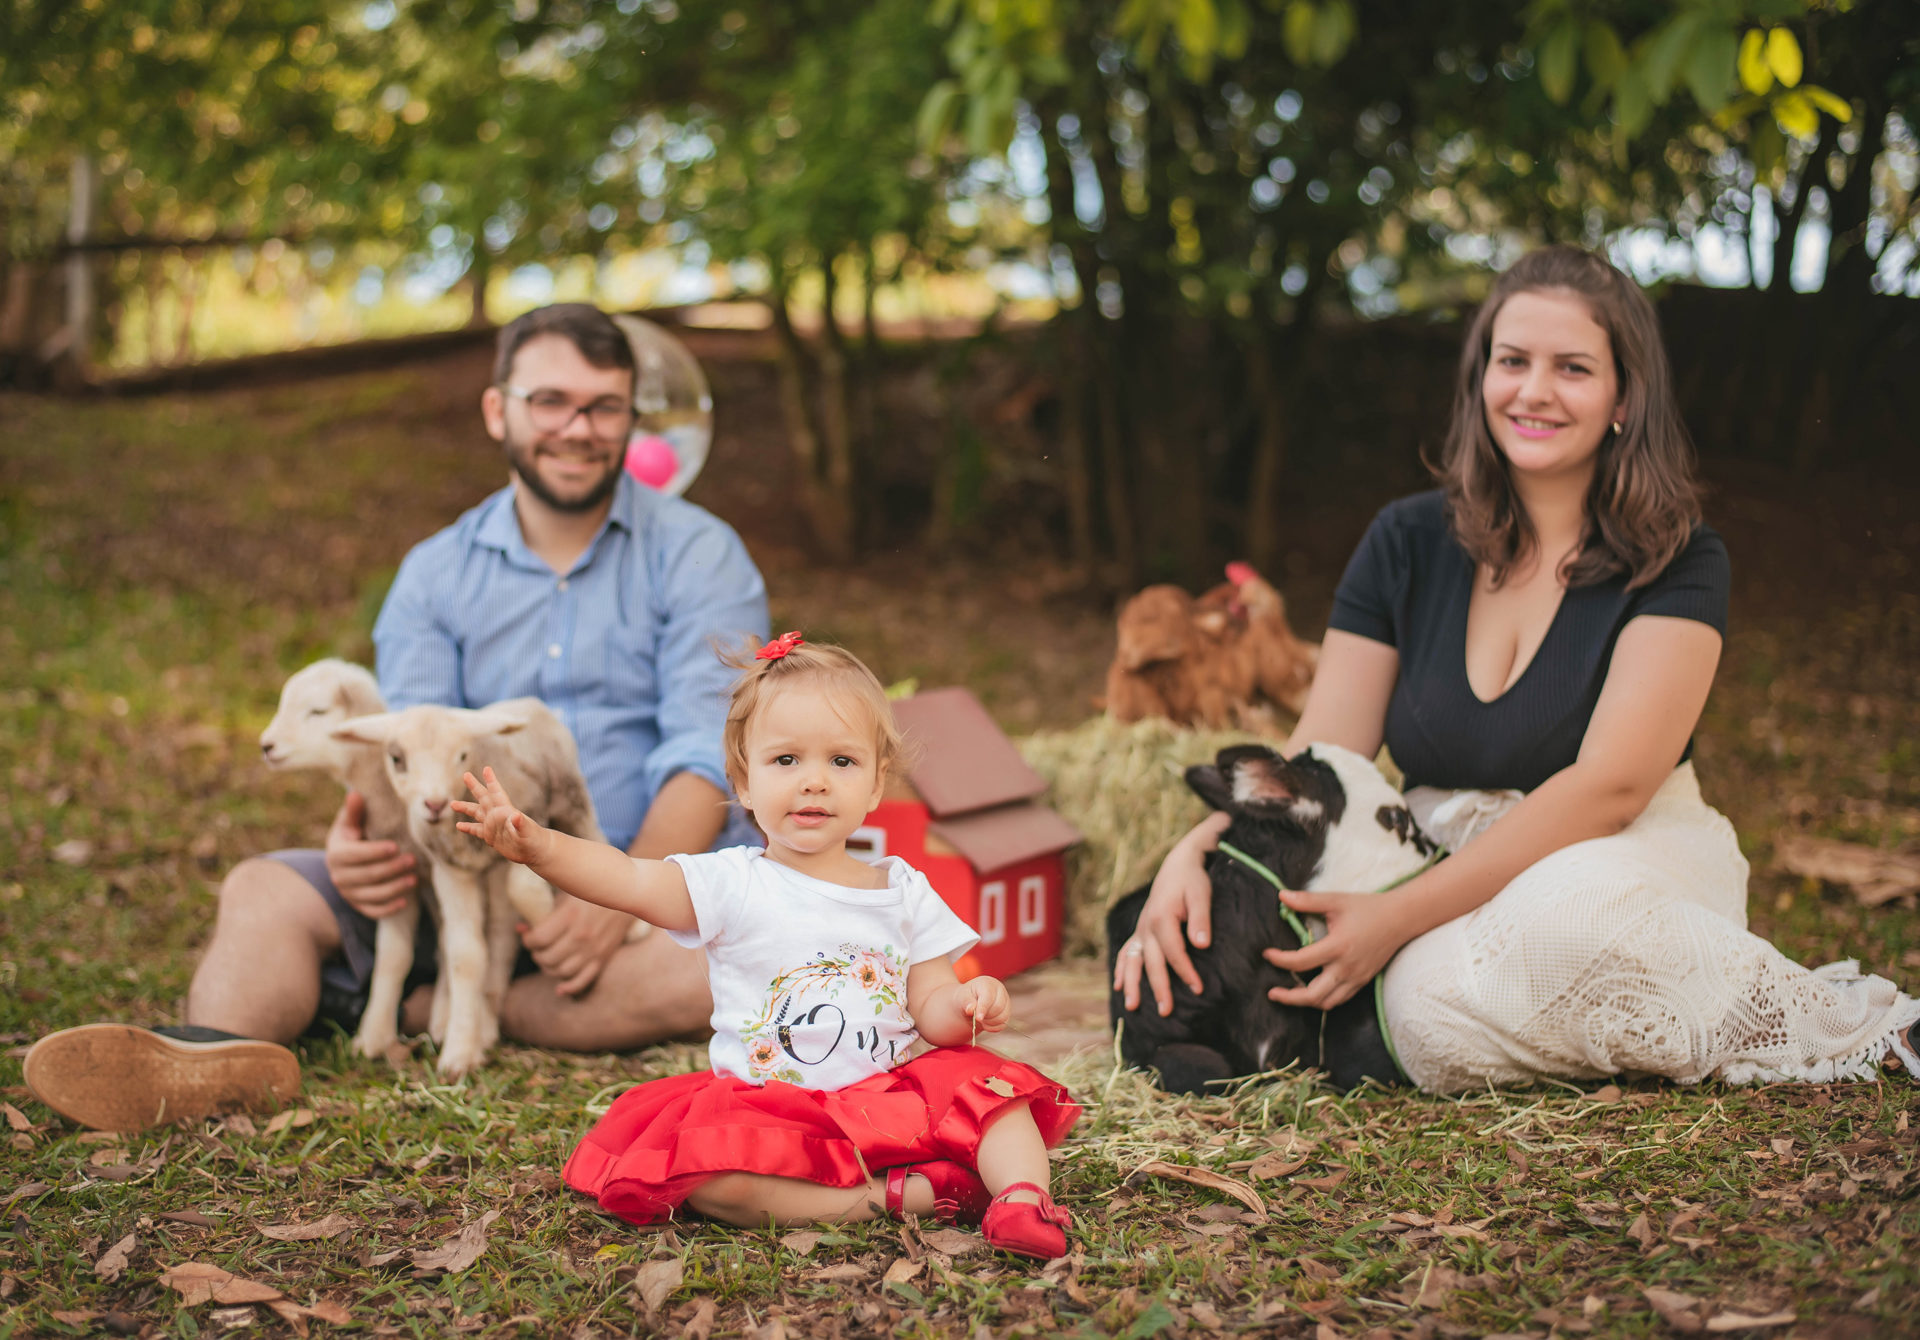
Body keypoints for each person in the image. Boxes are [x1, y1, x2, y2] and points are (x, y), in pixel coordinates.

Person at [1116, 245, 1920, 1091]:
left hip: (1619, 853)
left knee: (1566, 922)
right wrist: (1191, 852)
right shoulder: (1404, 541)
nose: (1534, 391)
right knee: (1417, 1008)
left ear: (1624, 398)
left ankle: (1850, 1027)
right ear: (1481, 380)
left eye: (1573, 368)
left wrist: (1394, 918)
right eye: (1512, 362)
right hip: (1436, 860)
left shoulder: (1680, 558)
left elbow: (1612, 788)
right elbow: (1324, 758)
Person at [24, 303, 769, 1132]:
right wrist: (358, 842)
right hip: (458, 875)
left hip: (643, 884)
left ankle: (430, 1006)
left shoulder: (700, 554)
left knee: (730, 963)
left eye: (604, 406)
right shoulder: (434, 574)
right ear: (499, 410)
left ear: (633, 416)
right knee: (262, 892)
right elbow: (406, 749)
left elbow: (707, 752)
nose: (578, 428)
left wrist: (622, 892)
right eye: (551, 401)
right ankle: (205, 1062)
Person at [455, 634, 1081, 1258]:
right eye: (786, 760)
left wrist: (968, 1002)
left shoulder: (901, 889)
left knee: (992, 1092)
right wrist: (540, 847)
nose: (814, 782)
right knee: (716, 1182)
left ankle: (1021, 1199)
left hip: (888, 1102)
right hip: (776, 1116)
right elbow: (628, 878)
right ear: (744, 781)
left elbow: (934, 1008)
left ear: (875, 785)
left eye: (842, 762)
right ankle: (916, 1194)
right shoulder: (730, 882)